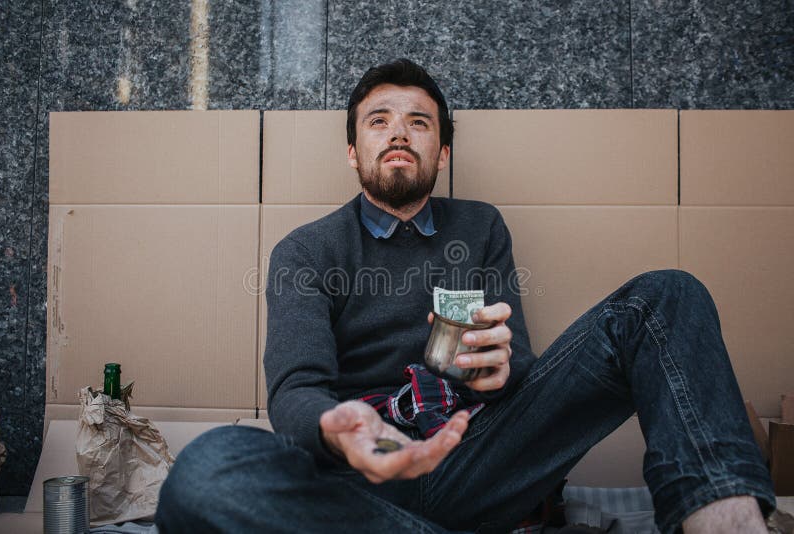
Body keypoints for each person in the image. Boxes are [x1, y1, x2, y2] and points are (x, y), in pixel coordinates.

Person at [155, 59, 775, 533]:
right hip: (365, 476)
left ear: (442, 152)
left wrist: (497, 373)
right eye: (379, 121)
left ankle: (725, 516)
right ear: (352, 151)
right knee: (205, 471)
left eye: (419, 122)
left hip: (481, 455)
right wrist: (343, 432)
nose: (399, 133)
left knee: (664, 297)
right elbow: (294, 394)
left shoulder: (480, 227)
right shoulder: (306, 251)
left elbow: (521, 370)